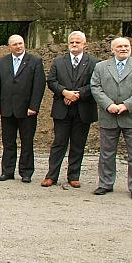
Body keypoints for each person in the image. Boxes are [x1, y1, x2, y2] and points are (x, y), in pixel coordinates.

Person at [91, 37, 132, 201]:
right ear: (112, 49)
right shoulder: (101, 67)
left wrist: (126, 105)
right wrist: (108, 105)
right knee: (106, 153)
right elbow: (95, 87)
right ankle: (105, 183)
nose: (123, 48)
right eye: (119, 46)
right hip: (108, 116)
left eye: (126, 46)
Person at [42, 31, 99, 188]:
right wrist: (64, 92)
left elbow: (95, 83)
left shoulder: (94, 63)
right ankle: (51, 176)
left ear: (84, 44)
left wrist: (78, 94)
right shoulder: (58, 62)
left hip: (83, 109)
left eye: (77, 42)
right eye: (71, 42)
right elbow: (51, 81)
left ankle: (73, 176)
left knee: (78, 145)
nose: (74, 44)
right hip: (62, 109)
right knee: (58, 143)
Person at [0, 34, 46, 183]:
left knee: (27, 142)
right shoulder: (2, 62)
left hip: (27, 110)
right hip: (7, 109)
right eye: (15, 44)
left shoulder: (35, 61)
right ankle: (7, 171)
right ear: (9, 47)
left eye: (20, 43)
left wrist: (34, 106)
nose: (18, 46)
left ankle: (26, 172)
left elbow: (39, 85)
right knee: (8, 142)